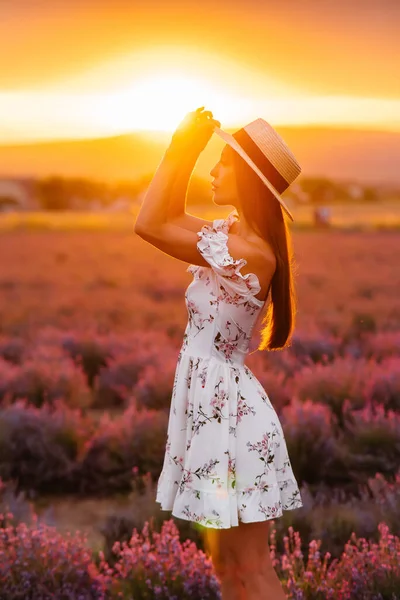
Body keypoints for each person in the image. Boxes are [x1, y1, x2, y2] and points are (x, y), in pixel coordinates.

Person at [134, 107, 303, 599]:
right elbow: (162, 217)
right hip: (213, 413)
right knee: (227, 568)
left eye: (221, 163)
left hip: (232, 419)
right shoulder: (230, 237)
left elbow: (149, 224)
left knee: (252, 569)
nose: (211, 173)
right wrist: (183, 148)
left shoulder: (249, 252)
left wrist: (180, 149)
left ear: (248, 181)